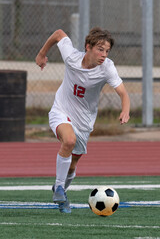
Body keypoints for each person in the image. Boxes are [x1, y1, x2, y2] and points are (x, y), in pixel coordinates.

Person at [35, 27, 130, 213]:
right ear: (88, 47)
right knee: (68, 140)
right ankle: (60, 188)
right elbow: (58, 33)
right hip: (61, 110)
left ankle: (60, 189)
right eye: (100, 49)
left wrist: (125, 110)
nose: (104, 55)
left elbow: (123, 93)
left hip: (84, 121)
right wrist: (41, 54)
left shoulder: (107, 68)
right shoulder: (71, 56)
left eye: (107, 51)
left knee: (73, 162)